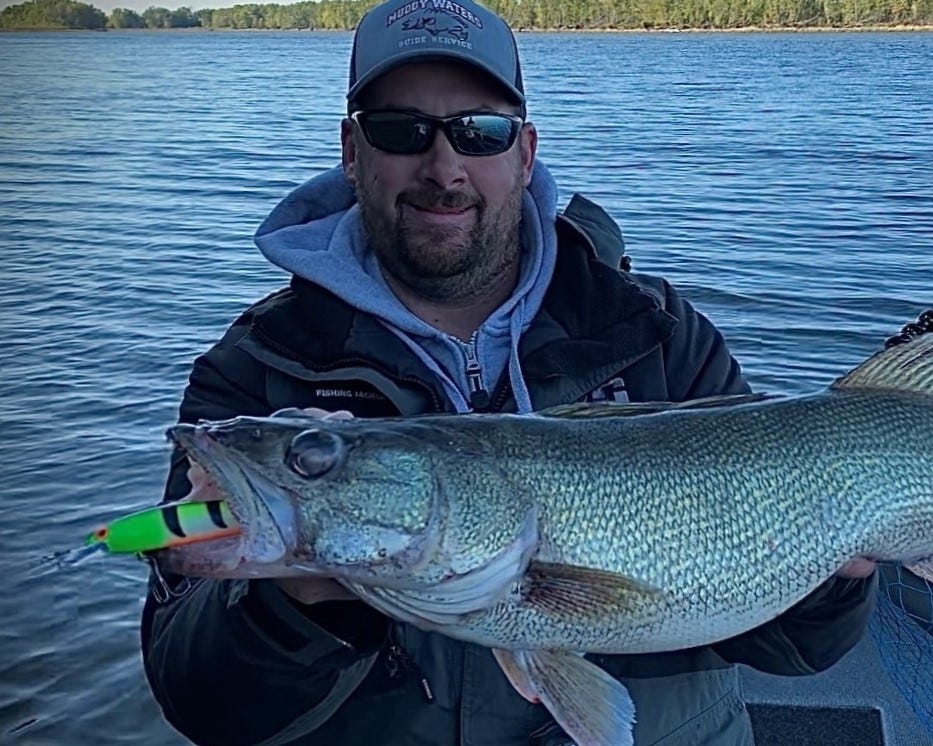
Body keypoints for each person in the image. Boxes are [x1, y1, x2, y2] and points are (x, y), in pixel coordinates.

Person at [139, 0, 876, 743]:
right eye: (401, 130)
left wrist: (831, 580)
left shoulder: (656, 334)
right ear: (351, 151)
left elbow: (791, 647)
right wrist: (294, 604)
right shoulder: (258, 368)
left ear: (525, 154)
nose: (443, 167)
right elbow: (198, 701)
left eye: (478, 132)